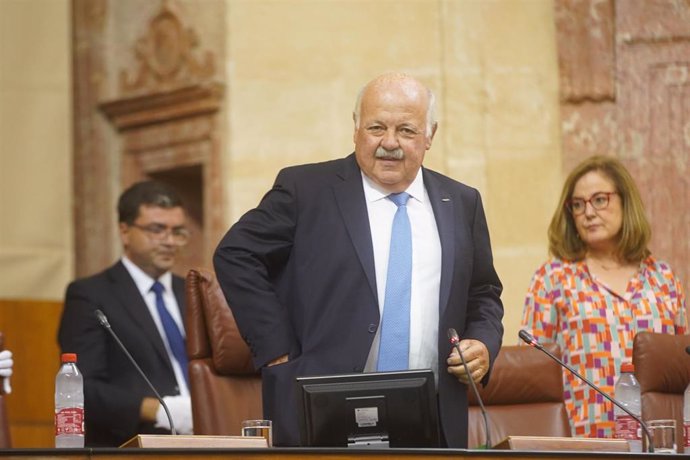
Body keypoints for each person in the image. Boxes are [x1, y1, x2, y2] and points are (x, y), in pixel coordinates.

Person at [213, 72, 504, 447]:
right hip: (320, 407)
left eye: (407, 130)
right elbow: (236, 253)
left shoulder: (461, 202)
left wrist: (482, 342)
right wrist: (277, 351)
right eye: (376, 127)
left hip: (429, 413)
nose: (389, 143)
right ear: (355, 128)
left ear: (430, 135)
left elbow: (483, 292)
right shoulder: (307, 190)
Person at [520, 155, 687, 438]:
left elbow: (681, 367)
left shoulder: (663, 277)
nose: (588, 212)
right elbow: (535, 377)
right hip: (583, 440)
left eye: (599, 199)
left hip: (657, 440)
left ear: (625, 202)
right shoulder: (552, 278)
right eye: (578, 204)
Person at [58, 181, 193, 446]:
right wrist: (161, 410)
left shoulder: (193, 292)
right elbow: (83, 387)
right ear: (125, 231)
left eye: (177, 231)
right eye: (157, 229)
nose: (169, 241)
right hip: (136, 443)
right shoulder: (90, 295)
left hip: (211, 438)